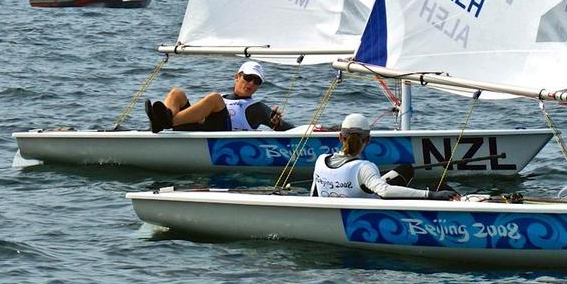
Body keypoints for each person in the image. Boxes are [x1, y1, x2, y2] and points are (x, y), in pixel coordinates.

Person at [311, 113, 459, 201]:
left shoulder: (320, 161)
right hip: (376, 207)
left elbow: (314, 195)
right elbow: (384, 191)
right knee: (439, 188)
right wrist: (430, 195)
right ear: (368, 140)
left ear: (340, 137)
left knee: (406, 169)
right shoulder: (364, 168)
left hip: (345, 201)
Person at [145, 61, 293, 133]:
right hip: (202, 131)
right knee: (176, 93)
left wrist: (277, 123)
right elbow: (196, 117)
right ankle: (162, 121)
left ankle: (162, 122)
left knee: (214, 98)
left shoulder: (257, 108)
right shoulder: (222, 97)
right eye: (248, 78)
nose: (251, 84)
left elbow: (288, 129)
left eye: (257, 81)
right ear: (237, 77)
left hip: (222, 135)